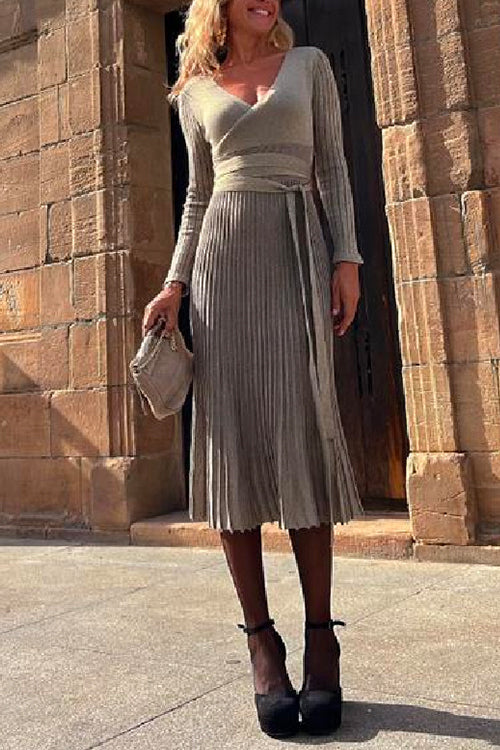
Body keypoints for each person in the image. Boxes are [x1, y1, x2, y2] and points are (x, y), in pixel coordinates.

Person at [142, 0, 365, 738]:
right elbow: (197, 196)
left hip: (297, 254)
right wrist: (174, 285)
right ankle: (262, 642)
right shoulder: (193, 93)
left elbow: (333, 166)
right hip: (222, 268)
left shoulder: (310, 66)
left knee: (303, 429)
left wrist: (346, 258)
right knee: (231, 442)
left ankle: (321, 638)